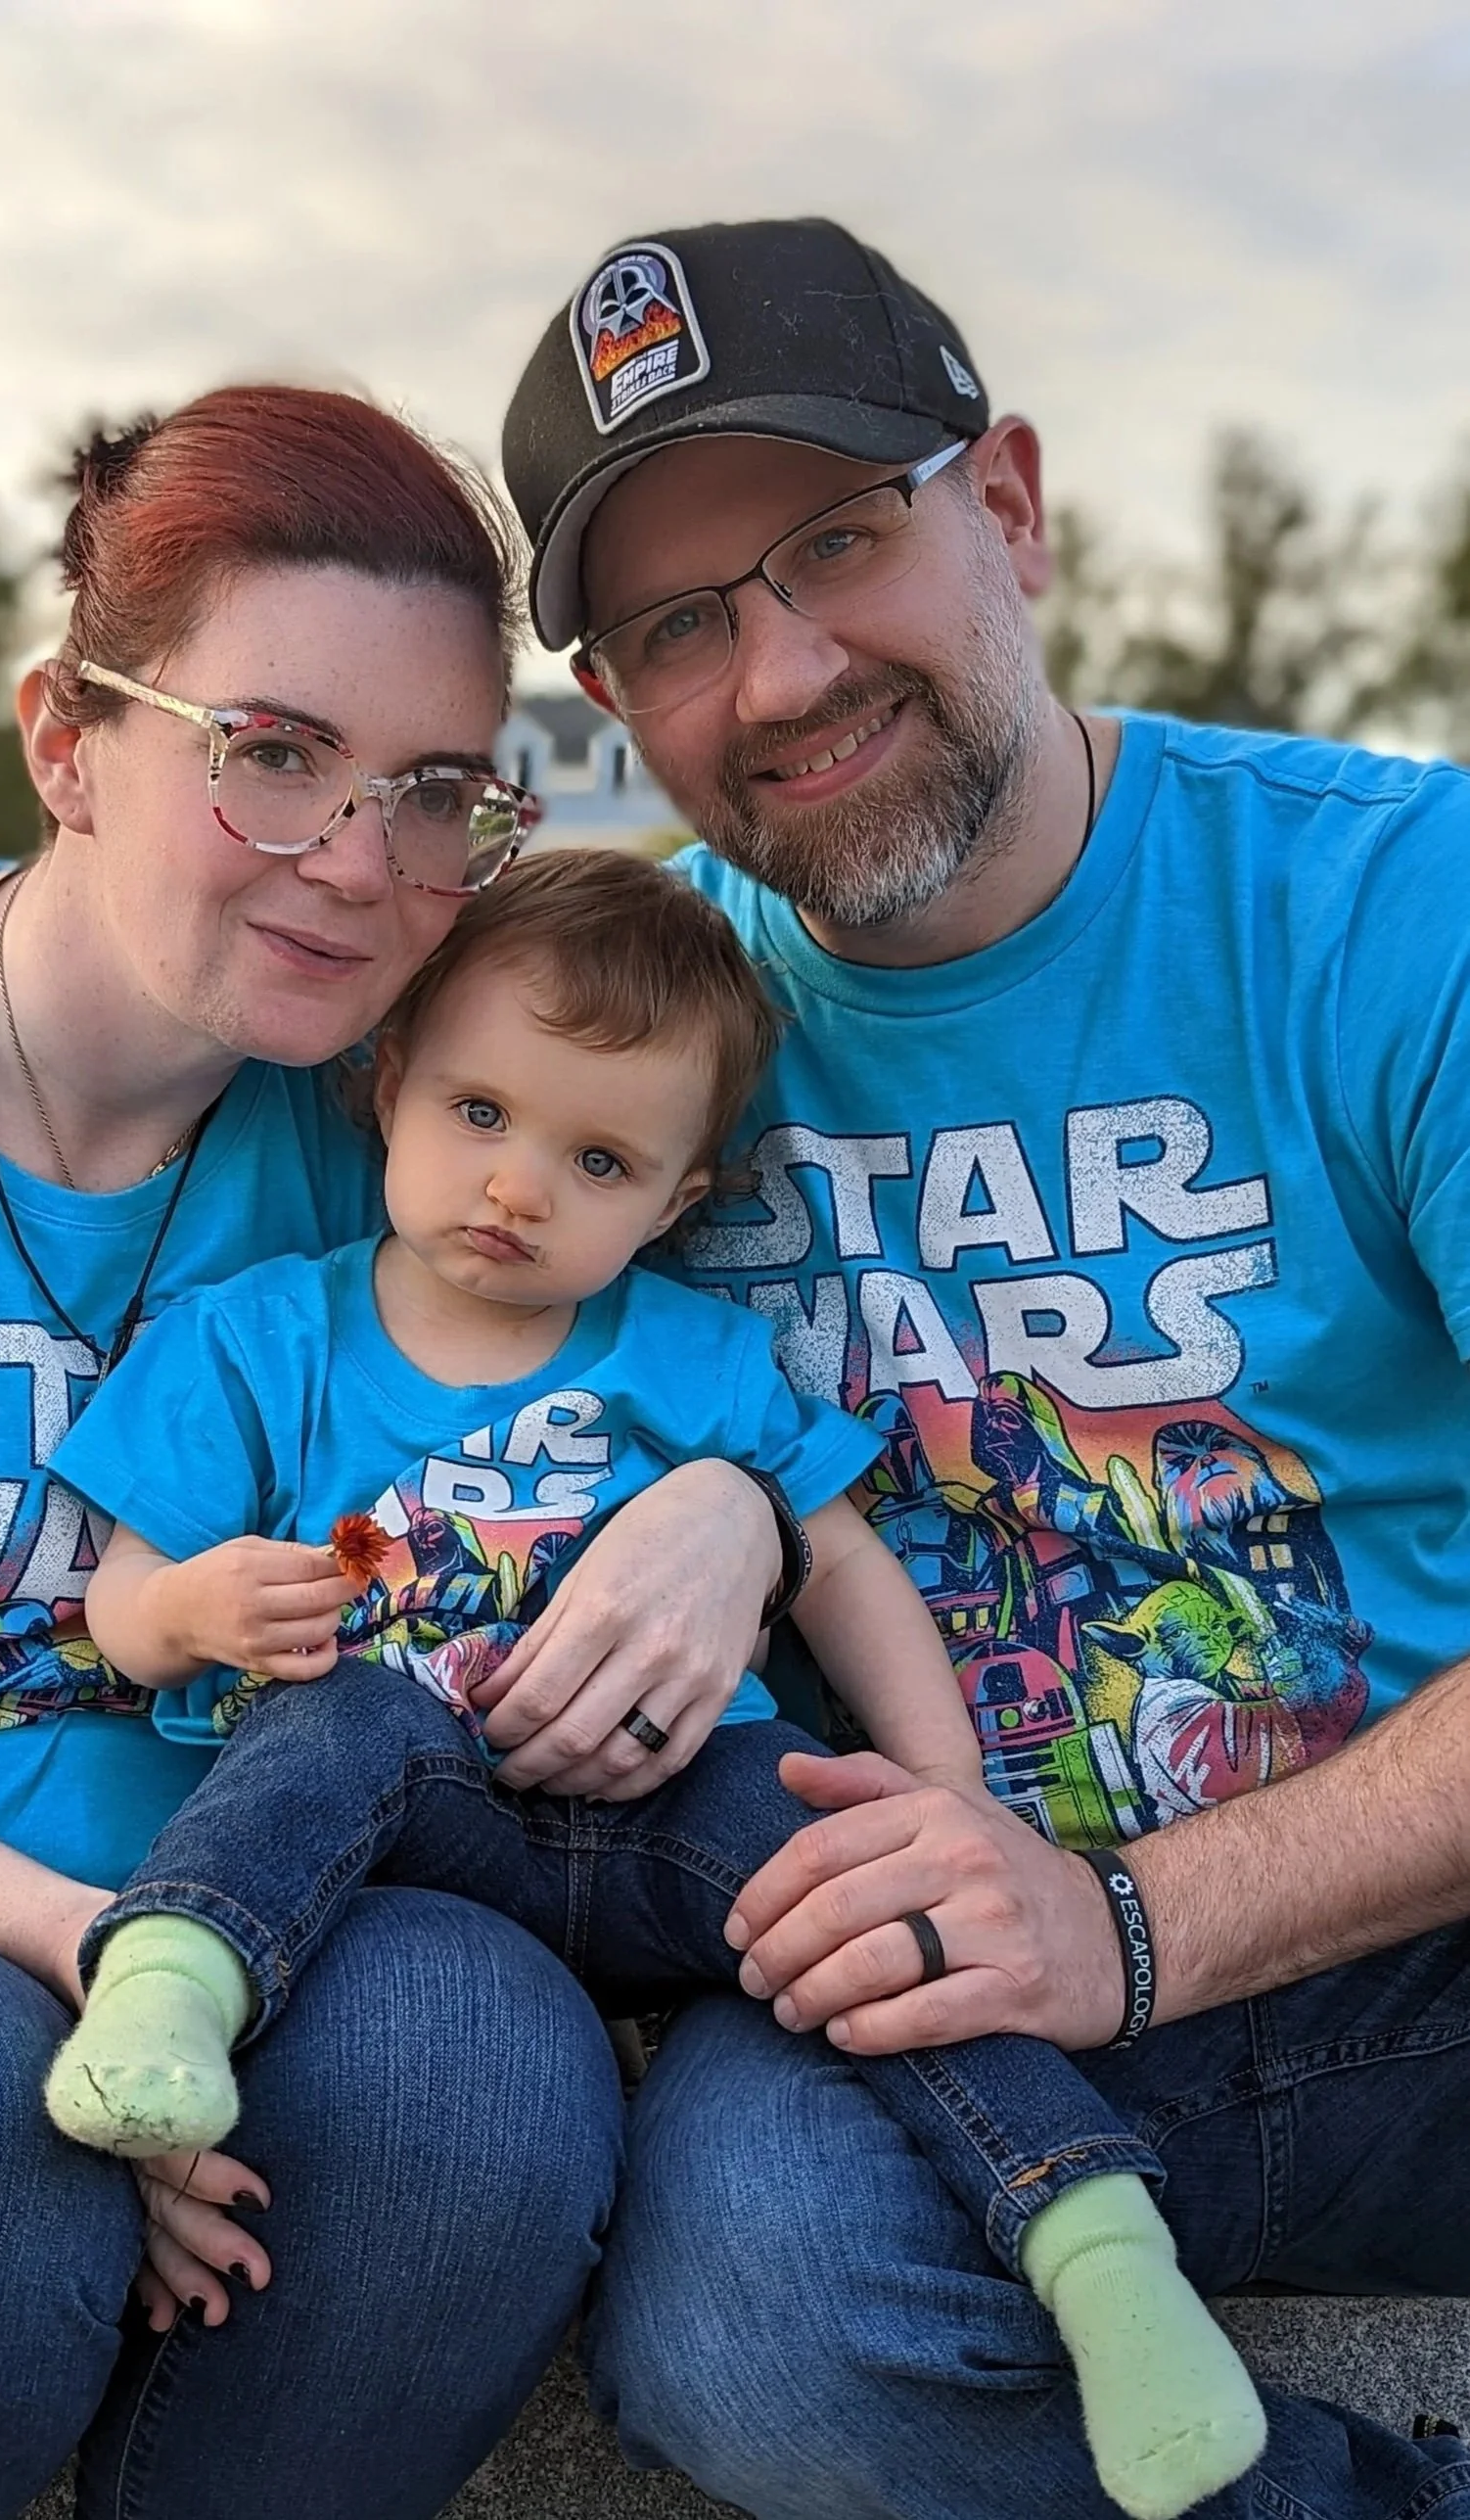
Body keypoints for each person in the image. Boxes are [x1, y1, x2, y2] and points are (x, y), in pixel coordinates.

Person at [0, 386, 789, 2520]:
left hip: (252, 1919)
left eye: (437, 793)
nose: (363, 864)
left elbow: (641, 1374)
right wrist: (93, 1970)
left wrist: (730, 1513)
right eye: (272, 755)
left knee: (483, 2078)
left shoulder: (398, 1137)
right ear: (66, 735)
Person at [497, 215, 1470, 2520]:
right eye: (677, 624)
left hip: (1406, 1930)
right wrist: (716, 1502)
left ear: (1009, 505)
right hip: (915, 2002)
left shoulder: (1387, 908)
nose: (786, 670)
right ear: (618, 703)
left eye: (838, 538)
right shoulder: (614, 1041)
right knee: (752, 2309)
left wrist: (1131, 1929)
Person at [40, 844, 1262, 2519]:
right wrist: (187, 1605)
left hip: (676, 1816)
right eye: (479, 1111)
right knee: (344, 1717)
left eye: (597, 1155)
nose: (518, 1185)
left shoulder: (686, 1356)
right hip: (415, 1845)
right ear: (385, 1081)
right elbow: (114, 1606)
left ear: (679, 1197)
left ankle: (1097, 2245)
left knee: (855, 1877)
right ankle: (172, 1989)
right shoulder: (264, 1337)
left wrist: (949, 1806)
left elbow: (840, 1567)